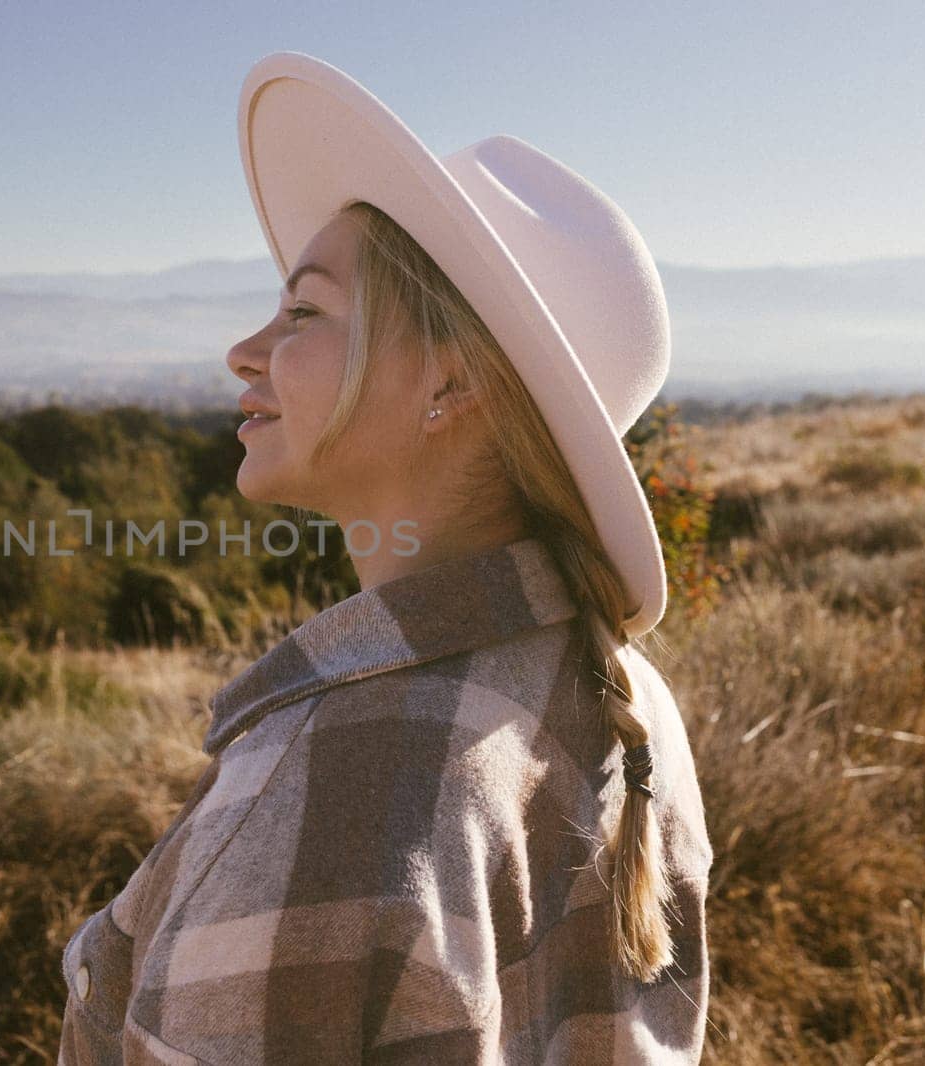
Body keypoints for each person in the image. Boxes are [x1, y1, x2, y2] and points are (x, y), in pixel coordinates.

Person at [58, 52, 714, 1064]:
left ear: (447, 382)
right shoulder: (624, 693)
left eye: (303, 311)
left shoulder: (333, 778)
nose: (245, 350)